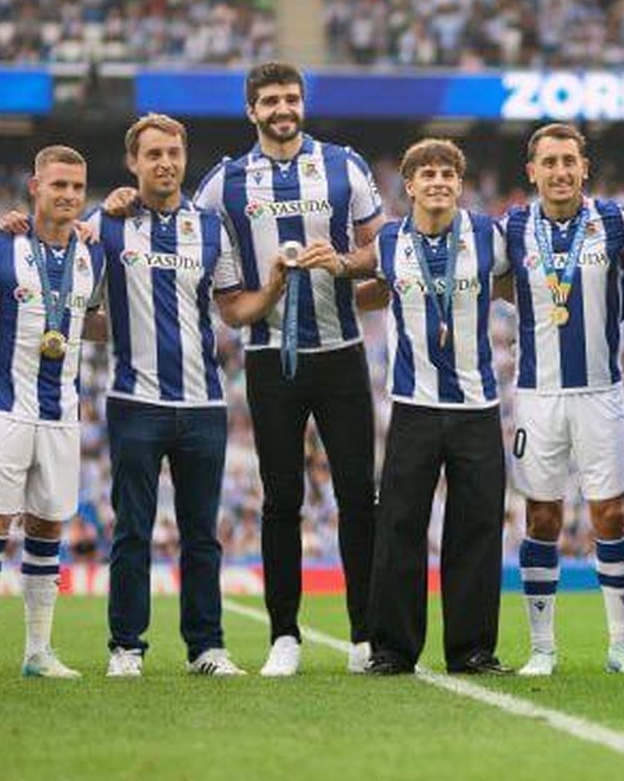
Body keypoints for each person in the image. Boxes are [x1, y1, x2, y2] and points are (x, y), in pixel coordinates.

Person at [189, 62, 385, 677]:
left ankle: (365, 634)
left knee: (359, 495)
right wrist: (272, 286)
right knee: (281, 498)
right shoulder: (223, 185)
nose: (283, 108)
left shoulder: (344, 165)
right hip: (271, 360)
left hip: (342, 352)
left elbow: (384, 249)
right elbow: (231, 308)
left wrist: (344, 262)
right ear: (251, 110)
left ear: (303, 103)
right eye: (270, 100)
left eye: (291, 98)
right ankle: (284, 636)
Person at [95, 114, 292, 678]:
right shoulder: (107, 225)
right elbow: (72, 295)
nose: (165, 162)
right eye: (153, 153)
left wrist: (274, 284)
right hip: (135, 402)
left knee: (201, 533)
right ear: (133, 163)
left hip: (204, 405)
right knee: (132, 528)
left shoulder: (210, 228)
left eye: (174, 152)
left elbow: (233, 310)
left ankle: (206, 647)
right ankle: (126, 647)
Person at [345, 139, 512, 676]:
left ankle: (472, 650)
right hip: (413, 406)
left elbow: (519, 280)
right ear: (409, 186)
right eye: (427, 174)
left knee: (477, 530)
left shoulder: (488, 233)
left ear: (459, 185)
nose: (438, 181)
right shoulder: (391, 240)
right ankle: (392, 649)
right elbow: (358, 272)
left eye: (447, 173)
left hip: (477, 405)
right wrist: (333, 265)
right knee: (398, 528)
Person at [499, 124, 624, 677]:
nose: (559, 171)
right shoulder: (510, 227)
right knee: (541, 515)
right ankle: (542, 648)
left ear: (585, 168)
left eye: (569, 161)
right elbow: (483, 276)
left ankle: (623, 643)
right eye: (549, 162)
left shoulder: (614, 222)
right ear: (531, 171)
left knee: (610, 513)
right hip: (537, 394)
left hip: (600, 392)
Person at [0, 146, 106, 680]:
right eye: (58, 184)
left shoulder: (95, 253)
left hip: (63, 413)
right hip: (5, 409)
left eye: (76, 187)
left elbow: (94, 317)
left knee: (48, 529)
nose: (67, 195)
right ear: (35, 185)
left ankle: (37, 651)